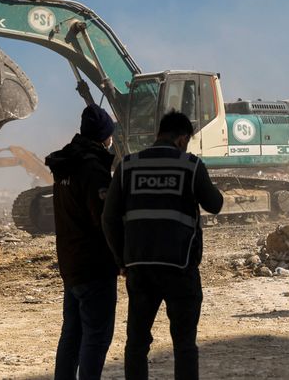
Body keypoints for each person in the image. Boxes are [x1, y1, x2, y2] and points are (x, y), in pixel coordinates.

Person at [102, 111, 223, 380]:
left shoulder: (128, 166)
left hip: (140, 267)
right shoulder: (190, 165)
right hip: (180, 267)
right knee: (184, 344)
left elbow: (109, 218)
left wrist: (122, 260)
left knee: (136, 343)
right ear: (182, 139)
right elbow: (215, 204)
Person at [47, 104, 119, 380]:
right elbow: (103, 220)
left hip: (71, 263)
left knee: (72, 334)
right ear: (104, 136)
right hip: (94, 266)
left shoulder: (66, 165)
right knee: (97, 336)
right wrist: (121, 258)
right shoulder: (93, 168)